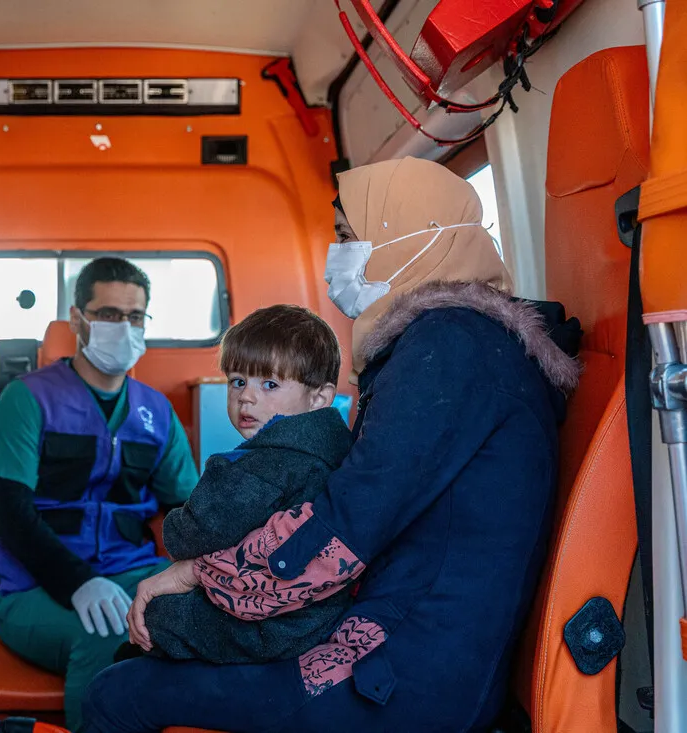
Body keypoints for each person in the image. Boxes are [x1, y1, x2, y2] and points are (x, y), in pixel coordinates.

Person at [80, 157, 582, 732]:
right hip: (405, 644)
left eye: (349, 237)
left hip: (402, 675)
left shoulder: (448, 348)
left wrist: (194, 574)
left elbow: (346, 522)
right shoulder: (463, 343)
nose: (337, 256)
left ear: (408, 238)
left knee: (120, 693)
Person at [0, 256, 199, 730]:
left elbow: (189, 509)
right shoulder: (27, 399)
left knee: (214, 613)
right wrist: (77, 582)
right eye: (108, 314)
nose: (123, 327)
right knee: (107, 634)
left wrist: (192, 573)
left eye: (134, 316)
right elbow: (8, 511)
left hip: (130, 570)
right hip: (33, 586)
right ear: (78, 320)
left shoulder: (155, 413)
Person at [116, 304, 354, 665]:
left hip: (268, 629)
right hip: (316, 617)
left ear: (319, 397)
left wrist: (174, 524)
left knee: (152, 617)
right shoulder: (332, 448)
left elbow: (189, 537)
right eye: (238, 381)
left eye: (269, 384)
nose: (247, 397)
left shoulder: (263, 464)